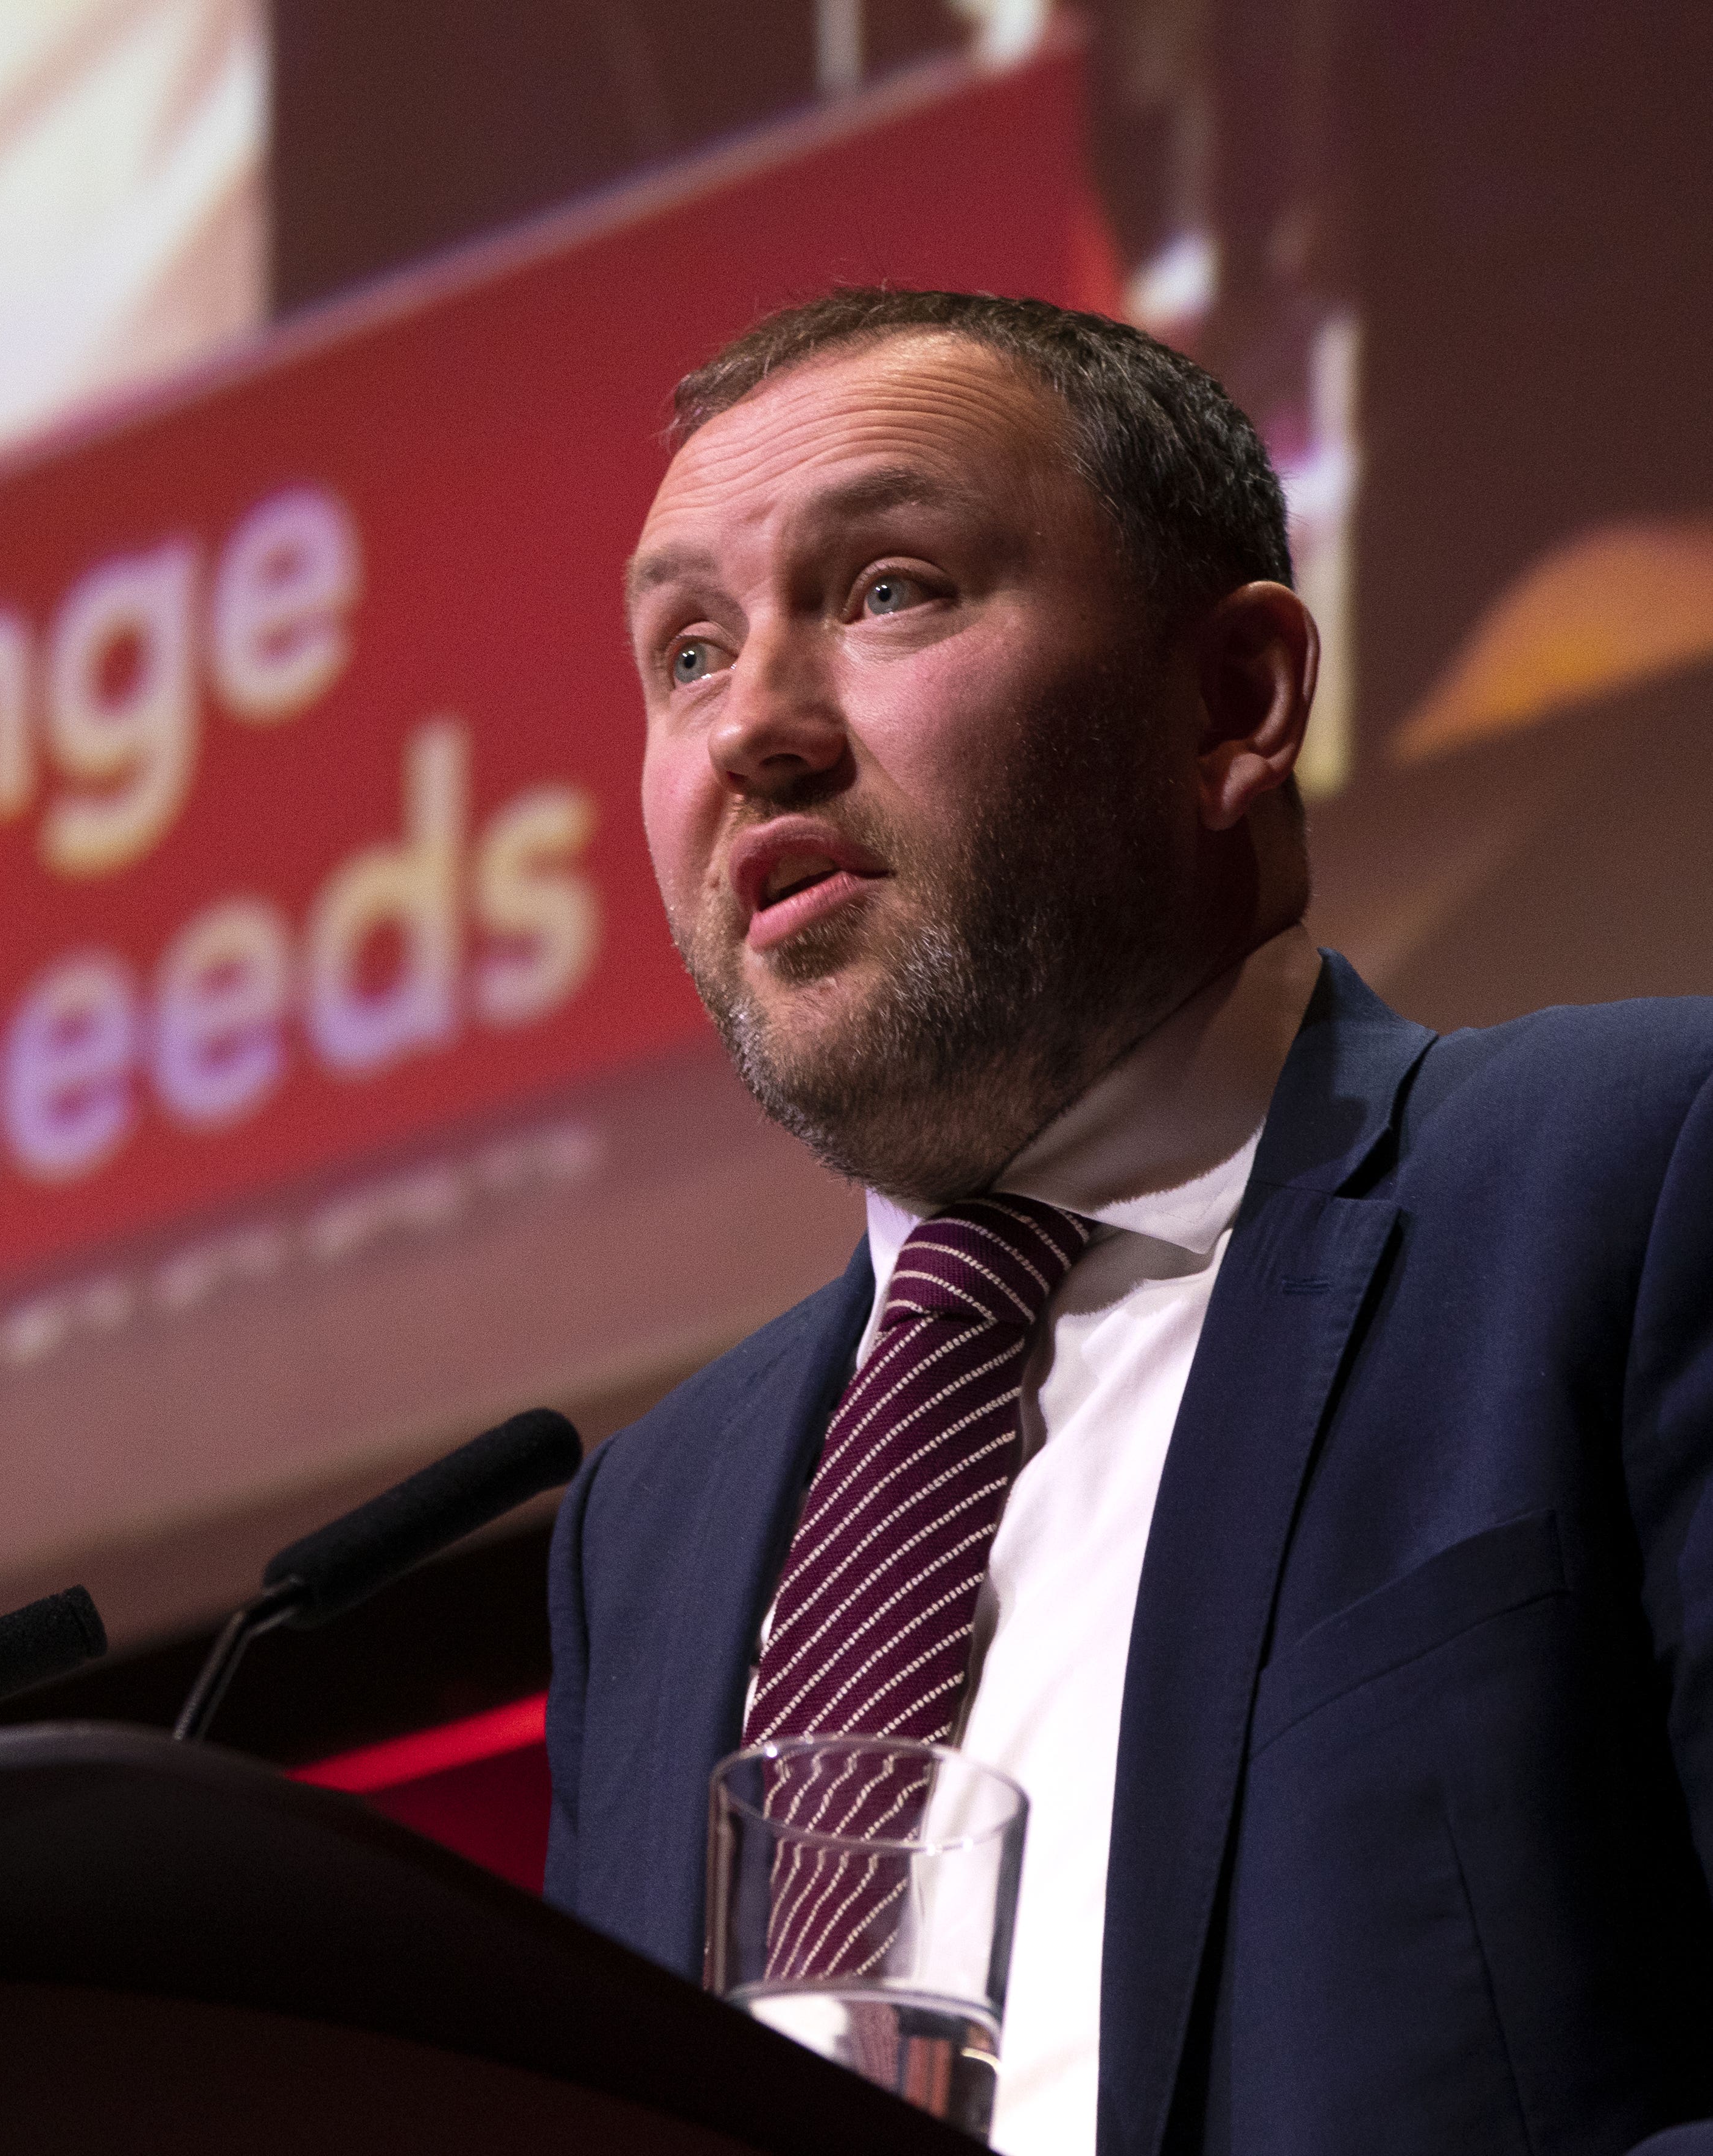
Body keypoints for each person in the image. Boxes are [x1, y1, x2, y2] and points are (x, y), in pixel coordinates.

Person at [543, 288, 1713, 2156]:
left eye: (888, 591)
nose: (751, 723)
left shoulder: (1630, 1180)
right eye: (683, 651)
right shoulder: (648, 1526)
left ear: (1234, 701)